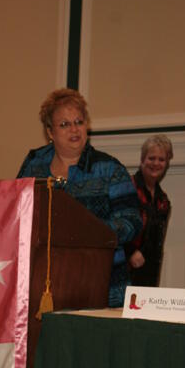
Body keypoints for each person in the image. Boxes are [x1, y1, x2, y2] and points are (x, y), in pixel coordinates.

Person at [17, 87, 142, 307]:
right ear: (50, 132)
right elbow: (17, 213)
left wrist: (87, 234)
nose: (74, 129)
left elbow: (131, 220)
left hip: (103, 284)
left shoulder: (109, 168)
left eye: (79, 122)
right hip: (44, 285)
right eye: (64, 124)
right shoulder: (33, 166)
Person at [126, 134, 172, 287]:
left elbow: (156, 243)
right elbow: (113, 229)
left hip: (149, 275)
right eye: (151, 158)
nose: (156, 163)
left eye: (161, 159)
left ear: (166, 164)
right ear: (142, 160)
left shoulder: (163, 201)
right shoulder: (127, 189)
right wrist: (130, 252)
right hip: (124, 271)